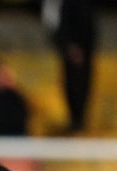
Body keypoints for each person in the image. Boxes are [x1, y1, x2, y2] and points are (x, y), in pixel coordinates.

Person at [42, 0, 96, 134]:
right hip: (72, 46)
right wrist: (68, 44)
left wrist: (76, 45)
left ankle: (78, 120)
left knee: (78, 84)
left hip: (78, 47)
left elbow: (84, 20)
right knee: (72, 83)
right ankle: (75, 120)